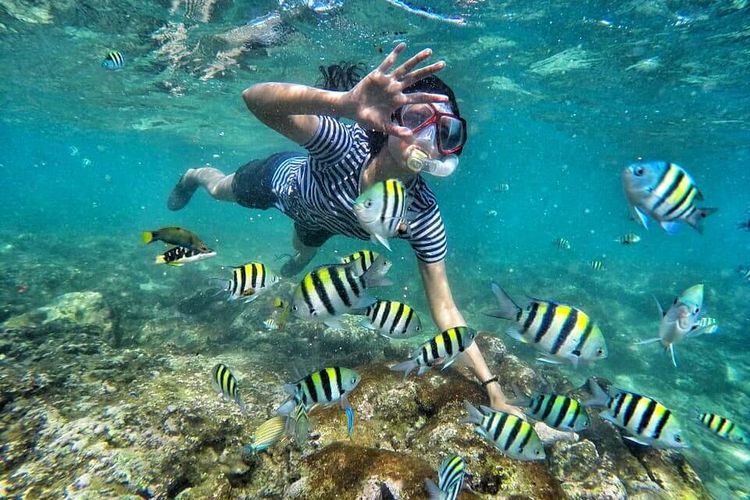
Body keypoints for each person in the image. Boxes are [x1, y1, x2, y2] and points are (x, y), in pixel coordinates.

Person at [167, 43, 513, 412]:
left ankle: (294, 264)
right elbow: (254, 98)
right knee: (221, 190)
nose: (426, 140)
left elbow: (445, 308)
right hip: (280, 183)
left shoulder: (422, 217)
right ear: (390, 120)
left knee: (301, 256)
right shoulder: (343, 145)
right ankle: (193, 176)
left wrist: (494, 389)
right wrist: (343, 105)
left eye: (444, 131)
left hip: (322, 224)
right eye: (414, 120)